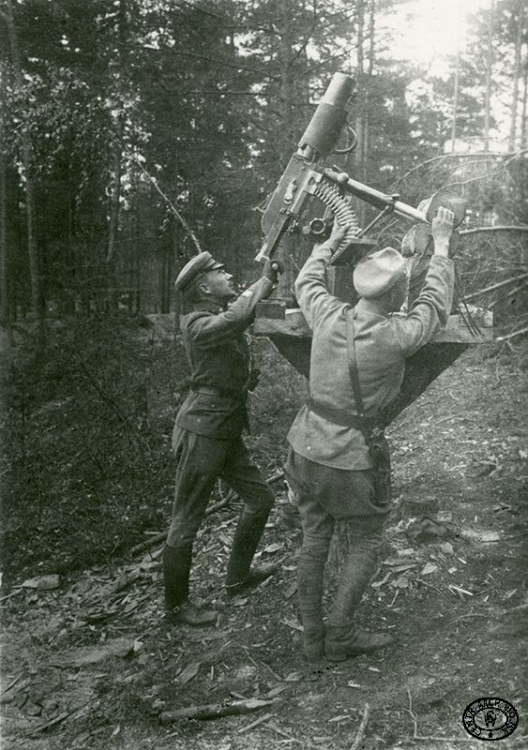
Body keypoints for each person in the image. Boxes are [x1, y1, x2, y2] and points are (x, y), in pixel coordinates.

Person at [284, 207, 456, 662]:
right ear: (398, 291)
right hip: (349, 457)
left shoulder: (326, 314)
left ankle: (310, 639)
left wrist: (330, 242)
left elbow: (306, 280)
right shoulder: (398, 334)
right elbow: (435, 304)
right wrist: (441, 245)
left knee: (314, 538)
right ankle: (339, 637)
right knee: (365, 541)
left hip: (303, 446)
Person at [163, 251, 282, 626]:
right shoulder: (196, 323)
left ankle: (237, 578)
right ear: (203, 286)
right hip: (202, 431)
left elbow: (230, 334)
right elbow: (236, 318)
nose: (228, 274)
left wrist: (241, 380)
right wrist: (262, 285)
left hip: (223, 427)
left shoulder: (214, 319)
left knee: (260, 499)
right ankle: (177, 607)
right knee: (186, 519)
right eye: (220, 272)